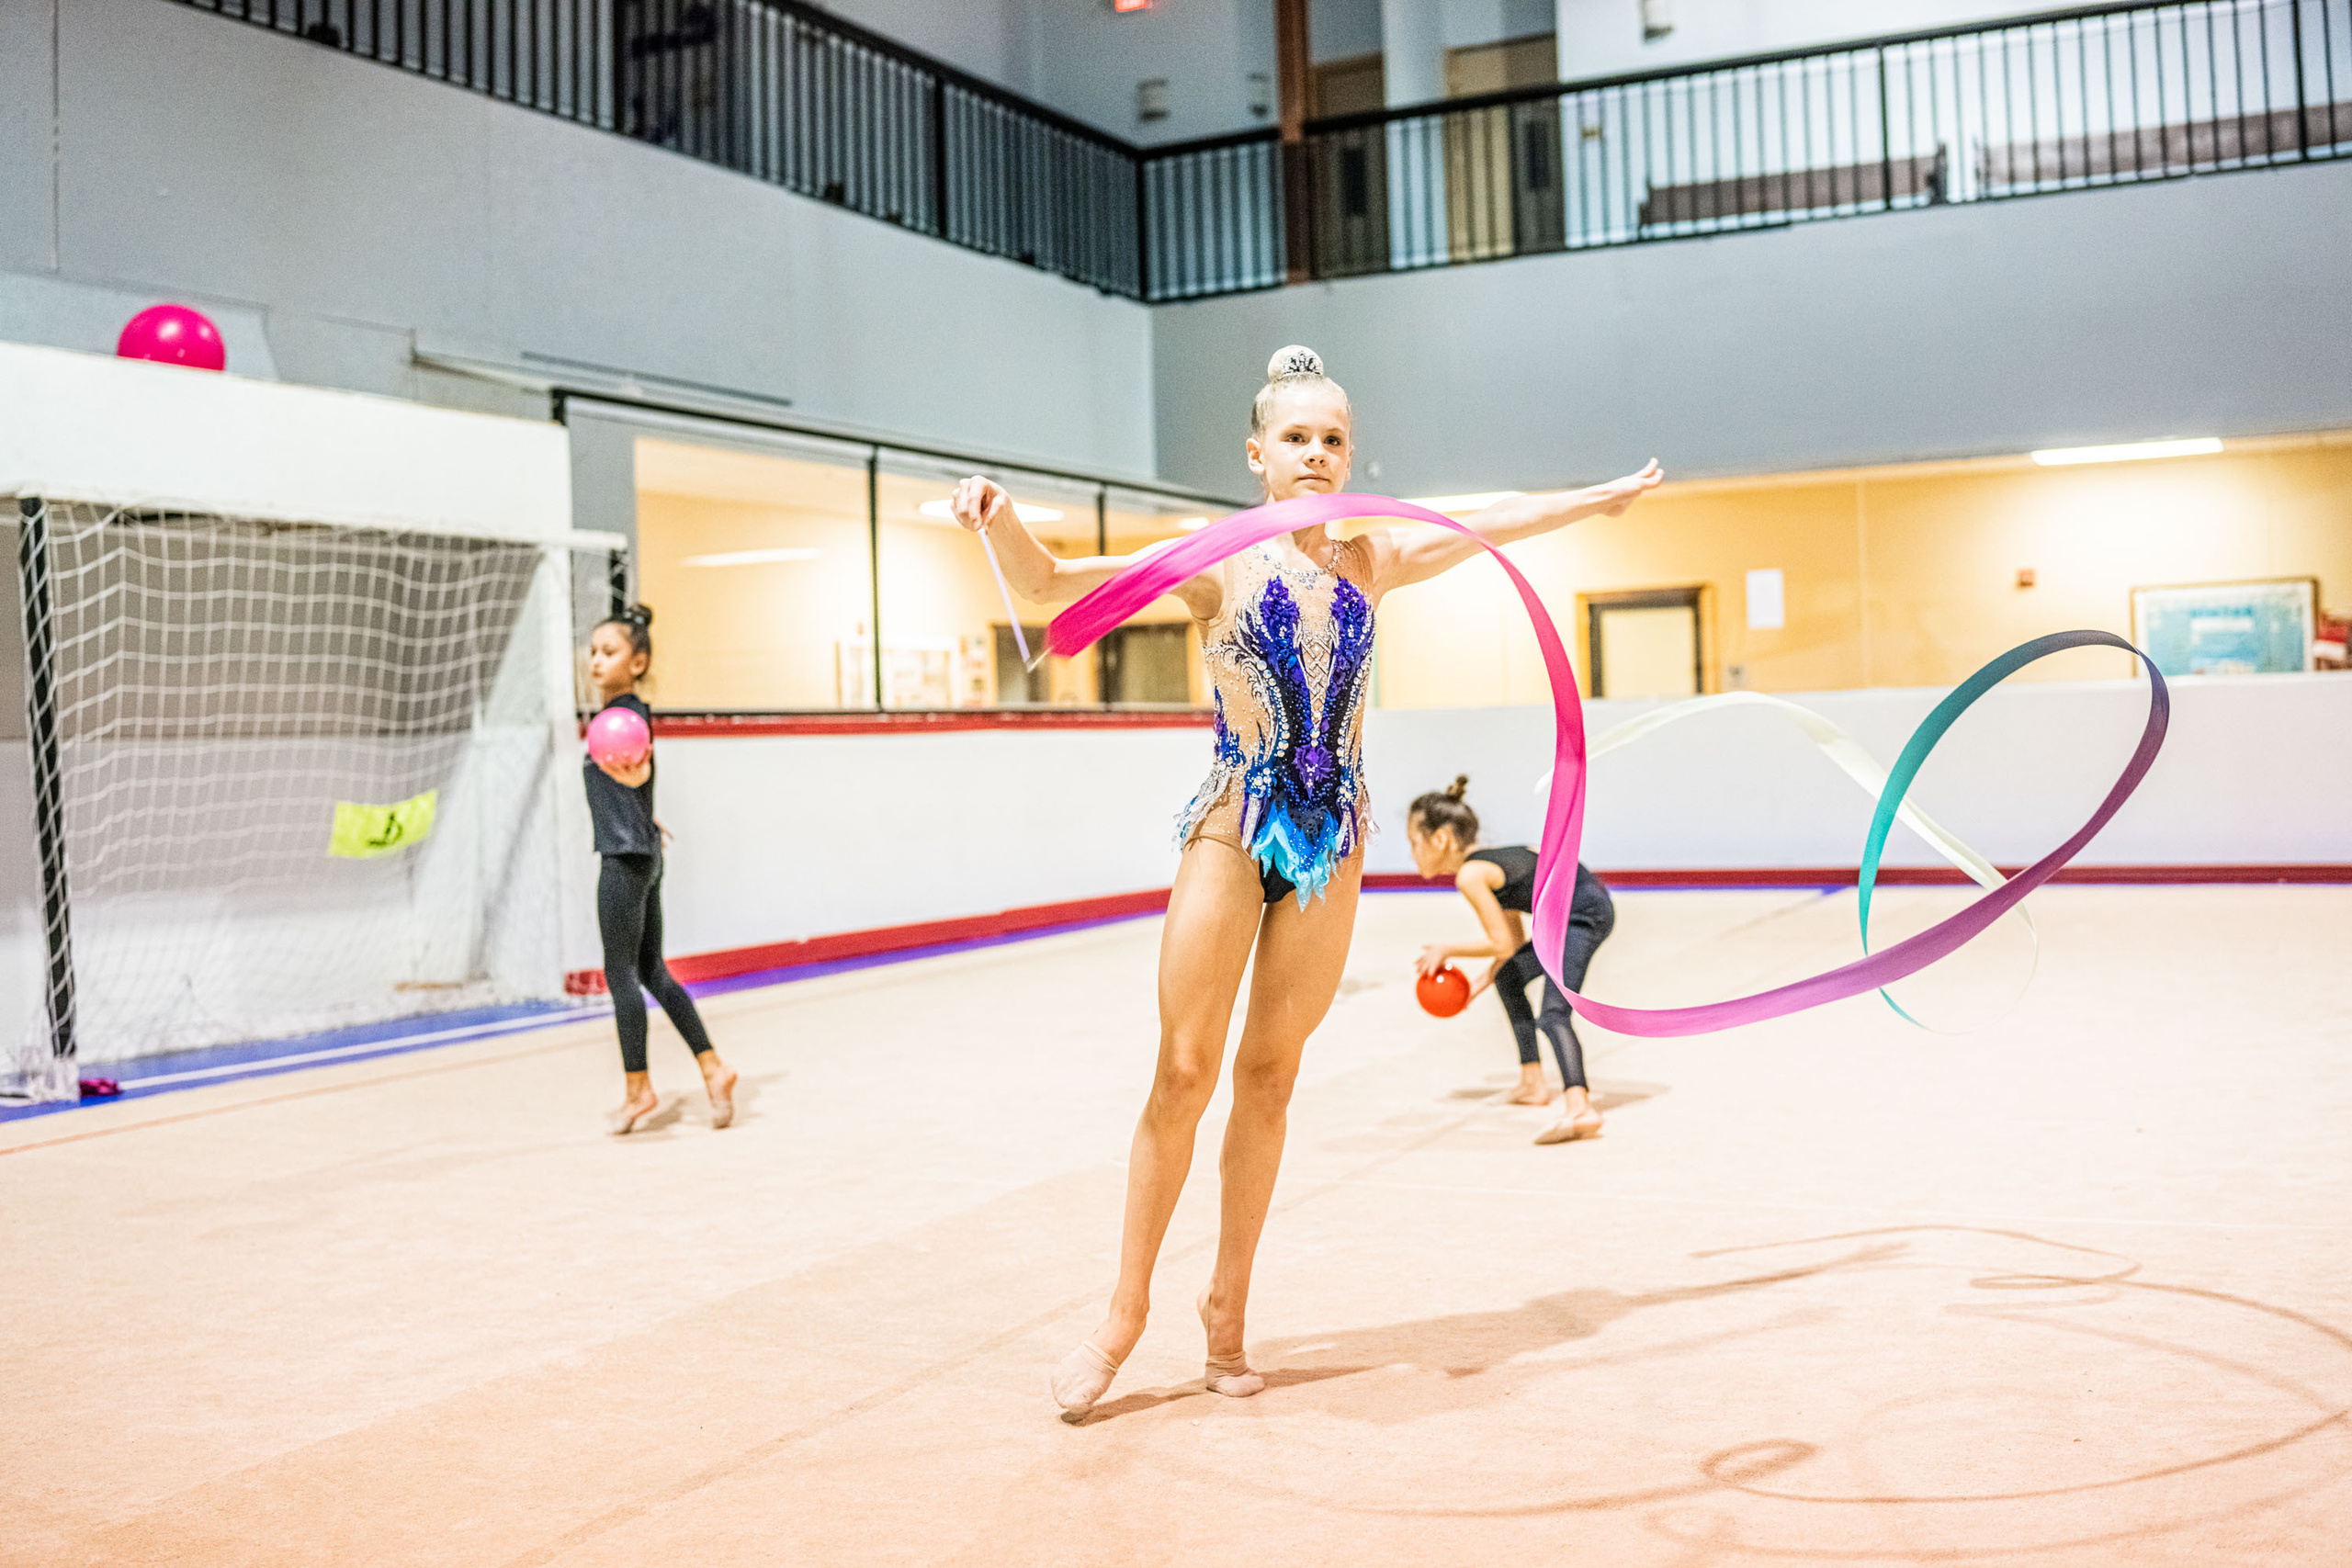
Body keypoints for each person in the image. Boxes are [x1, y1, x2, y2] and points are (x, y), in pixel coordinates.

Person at [951, 345, 1660, 1417]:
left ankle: (1226, 1309)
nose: (1317, 452)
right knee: (1184, 1070)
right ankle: (1123, 1313)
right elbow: (1052, 587)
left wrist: (1594, 500)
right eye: (1296, 436)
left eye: (1333, 436)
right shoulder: (1210, 559)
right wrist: (995, 517)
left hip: (1335, 842)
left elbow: (1493, 519)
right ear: (1257, 452)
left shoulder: (1374, 556)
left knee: (1271, 1078)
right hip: (1234, 825)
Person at [583, 605, 737, 1136]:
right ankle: (714, 1068)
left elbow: (636, 769)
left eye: (610, 652)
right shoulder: (630, 716)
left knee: (621, 974)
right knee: (653, 971)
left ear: (639, 661)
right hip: (645, 852)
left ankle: (638, 1088)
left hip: (624, 861)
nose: (596, 661)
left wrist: (635, 792)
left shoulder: (621, 719)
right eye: (594, 652)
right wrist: (646, 815)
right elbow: (635, 780)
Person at [1407, 776, 1617, 1145]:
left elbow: (1499, 940)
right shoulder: (1492, 865)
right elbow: (1510, 948)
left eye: (1413, 842)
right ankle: (1532, 1082)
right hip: (1579, 909)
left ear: (1439, 839)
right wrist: (1479, 984)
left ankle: (1580, 1107)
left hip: (1583, 917)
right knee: (1509, 976)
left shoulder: (1471, 875)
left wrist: (1446, 949)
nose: (1412, 854)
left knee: (1553, 1014)